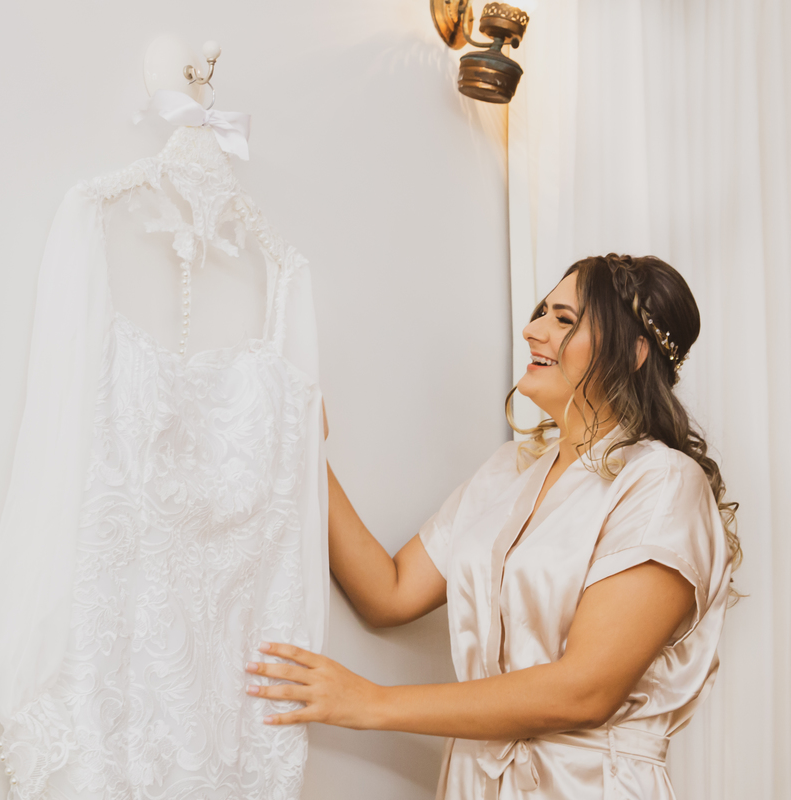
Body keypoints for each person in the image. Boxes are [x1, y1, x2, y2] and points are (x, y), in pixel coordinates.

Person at [243, 254, 740, 799]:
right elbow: (389, 592)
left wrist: (371, 703)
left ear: (635, 352)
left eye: (564, 320)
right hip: (475, 783)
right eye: (542, 312)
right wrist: (304, 449)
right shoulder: (510, 470)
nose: (533, 330)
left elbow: (585, 691)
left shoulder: (663, 483)